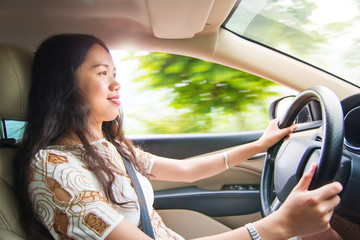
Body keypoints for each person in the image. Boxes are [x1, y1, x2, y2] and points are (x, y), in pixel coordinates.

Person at [13, 33, 343, 240]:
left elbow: (186, 171)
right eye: (102, 73)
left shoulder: (108, 146)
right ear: (64, 85)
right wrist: (275, 228)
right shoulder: (53, 166)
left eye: (115, 73)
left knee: (318, 231)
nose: (116, 84)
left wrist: (259, 145)